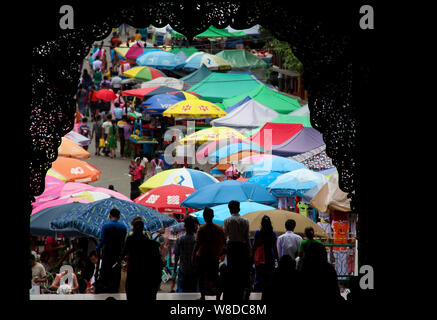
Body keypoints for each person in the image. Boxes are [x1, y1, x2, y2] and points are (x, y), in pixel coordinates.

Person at [122, 217, 163, 300]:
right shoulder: (151, 243)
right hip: (146, 276)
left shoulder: (130, 240)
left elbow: (123, 253)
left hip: (133, 275)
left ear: (133, 228)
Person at [192, 207, 225, 300]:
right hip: (214, 257)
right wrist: (221, 253)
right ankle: (218, 297)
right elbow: (224, 242)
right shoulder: (219, 228)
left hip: (202, 256)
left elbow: (197, 244)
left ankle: (203, 296)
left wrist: (193, 256)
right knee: (215, 277)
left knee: (202, 277)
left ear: (204, 217)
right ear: (213, 216)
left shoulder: (201, 229)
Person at [223, 200, 251, 300]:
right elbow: (247, 238)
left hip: (231, 247)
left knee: (232, 270)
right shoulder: (245, 221)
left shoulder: (227, 221)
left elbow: (224, 236)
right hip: (242, 247)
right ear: (239, 209)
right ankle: (241, 292)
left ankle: (232, 292)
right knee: (241, 270)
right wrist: (249, 251)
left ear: (230, 210)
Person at [95, 208, 127, 293]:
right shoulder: (123, 227)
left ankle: (105, 291)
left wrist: (97, 248)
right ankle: (115, 291)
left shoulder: (106, 226)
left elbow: (102, 240)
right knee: (116, 275)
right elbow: (123, 243)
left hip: (107, 254)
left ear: (110, 216)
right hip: (118, 255)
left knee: (105, 274)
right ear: (119, 216)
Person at [252, 215, 279, 293]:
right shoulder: (273, 234)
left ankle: (258, 293)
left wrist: (252, 257)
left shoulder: (258, 233)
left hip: (260, 257)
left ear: (261, 224)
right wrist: (278, 259)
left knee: (259, 277)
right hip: (270, 257)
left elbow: (254, 246)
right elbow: (275, 248)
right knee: (269, 277)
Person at [174, 216, 198, 293]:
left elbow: (177, 255)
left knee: (182, 292)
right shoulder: (197, 240)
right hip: (194, 270)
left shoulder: (180, 240)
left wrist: (175, 268)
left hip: (183, 269)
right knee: (194, 292)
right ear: (194, 226)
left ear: (185, 227)